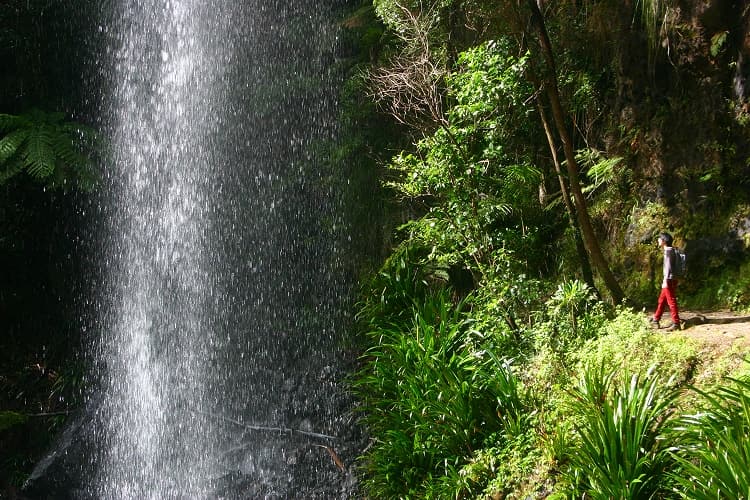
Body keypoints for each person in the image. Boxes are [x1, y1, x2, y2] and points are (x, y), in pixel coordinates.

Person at [650, 232, 681, 331]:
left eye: (659, 239)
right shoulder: (672, 250)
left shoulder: (668, 252)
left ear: (663, 241)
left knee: (671, 301)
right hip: (671, 279)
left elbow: (668, 268)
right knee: (662, 301)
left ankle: (676, 323)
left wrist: (666, 280)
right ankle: (656, 319)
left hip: (669, 279)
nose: (658, 240)